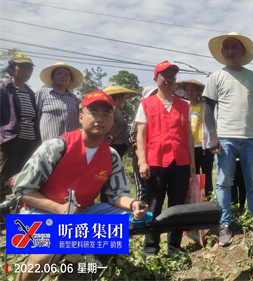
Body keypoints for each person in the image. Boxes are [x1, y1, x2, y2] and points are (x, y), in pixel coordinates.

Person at [13, 90, 148, 281]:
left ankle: (77, 260)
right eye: (93, 113)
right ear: (81, 117)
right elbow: (22, 190)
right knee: (46, 254)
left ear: (111, 122)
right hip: (39, 211)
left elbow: (116, 195)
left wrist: (134, 204)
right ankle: (67, 254)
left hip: (79, 213)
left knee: (128, 222)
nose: (99, 119)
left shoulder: (111, 156)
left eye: (105, 114)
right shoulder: (56, 147)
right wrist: (59, 208)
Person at [202, 32, 253, 246]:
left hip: (251, 139)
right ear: (222, 52)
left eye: (235, 47)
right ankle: (225, 225)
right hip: (225, 139)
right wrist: (212, 138)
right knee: (224, 182)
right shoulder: (216, 77)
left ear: (243, 51)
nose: (230, 51)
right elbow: (208, 108)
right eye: (227, 47)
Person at [135, 61, 195, 256]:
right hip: (155, 162)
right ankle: (151, 248)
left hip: (180, 160)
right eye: (164, 76)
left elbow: (188, 135)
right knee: (154, 204)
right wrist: (142, 160)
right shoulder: (146, 104)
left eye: (172, 76)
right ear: (156, 79)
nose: (168, 79)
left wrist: (192, 161)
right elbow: (140, 135)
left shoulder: (183, 105)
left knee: (177, 205)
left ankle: (174, 247)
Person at [0, 54, 40, 215]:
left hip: (30, 141)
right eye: (22, 66)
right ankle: (2, 217)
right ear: (11, 68)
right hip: (10, 140)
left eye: (29, 67)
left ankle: (15, 213)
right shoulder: (4, 89)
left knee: (23, 179)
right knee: (5, 178)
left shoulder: (30, 92)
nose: (26, 70)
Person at [175, 79, 215, 199]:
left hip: (205, 146)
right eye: (187, 90)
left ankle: (208, 200)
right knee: (193, 175)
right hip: (190, 147)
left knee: (207, 175)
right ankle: (196, 201)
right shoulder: (184, 108)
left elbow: (212, 124)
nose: (190, 92)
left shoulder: (205, 106)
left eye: (193, 90)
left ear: (198, 91)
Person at [36, 62, 84, 142]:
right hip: (47, 144)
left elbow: (76, 123)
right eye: (59, 73)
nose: (63, 76)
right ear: (52, 76)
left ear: (70, 79)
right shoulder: (42, 93)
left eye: (66, 75)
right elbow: (35, 118)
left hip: (70, 145)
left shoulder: (74, 98)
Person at [129, 86, 158, 202]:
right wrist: (142, 159)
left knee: (154, 189)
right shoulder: (141, 114)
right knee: (143, 189)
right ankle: (140, 217)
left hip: (154, 156)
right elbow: (133, 137)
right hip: (141, 156)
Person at [103, 83, 138, 158]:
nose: (123, 101)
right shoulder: (112, 109)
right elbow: (109, 121)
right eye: (122, 98)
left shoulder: (113, 110)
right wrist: (113, 135)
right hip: (114, 146)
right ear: (119, 97)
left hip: (117, 146)